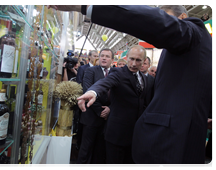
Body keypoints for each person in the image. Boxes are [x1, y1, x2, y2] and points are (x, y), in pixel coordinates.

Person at [49, 5, 214, 167]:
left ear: (183, 19)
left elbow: (154, 21)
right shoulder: (199, 50)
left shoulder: (192, 31)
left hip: (171, 145)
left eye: (167, 18)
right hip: (169, 142)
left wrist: (86, 6)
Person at [81, 45, 149, 166]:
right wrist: (93, 92)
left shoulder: (144, 78)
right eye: (131, 59)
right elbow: (104, 83)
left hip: (135, 135)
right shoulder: (118, 73)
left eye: (138, 60)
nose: (133, 63)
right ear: (126, 57)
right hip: (117, 134)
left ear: (144, 61)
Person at [77, 48, 113, 167]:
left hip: (107, 119)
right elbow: (88, 90)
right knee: (86, 150)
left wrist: (110, 109)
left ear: (112, 60)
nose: (104, 58)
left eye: (107, 56)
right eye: (102, 55)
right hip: (91, 117)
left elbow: (119, 96)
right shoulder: (91, 71)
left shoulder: (115, 73)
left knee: (100, 151)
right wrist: (101, 111)